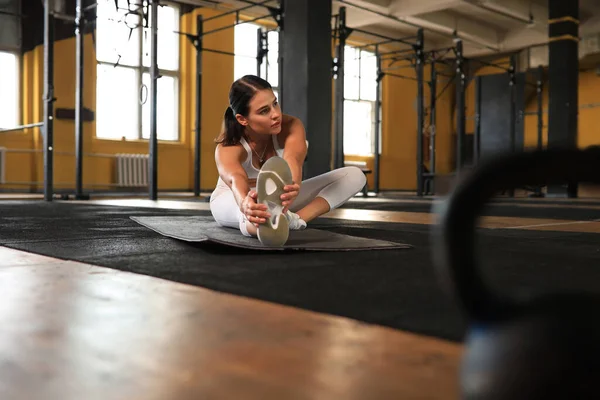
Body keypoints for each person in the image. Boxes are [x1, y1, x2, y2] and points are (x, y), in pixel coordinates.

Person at [209, 74, 367, 242]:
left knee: (354, 176)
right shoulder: (229, 146)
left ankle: (296, 220)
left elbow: (293, 160)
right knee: (254, 213)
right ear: (242, 119)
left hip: (280, 196)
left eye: (275, 103)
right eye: (264, 111)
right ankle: (260, 223)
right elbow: (235, 178)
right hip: (233, 197)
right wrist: (244, 203)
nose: (276, 114)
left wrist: (292, 185)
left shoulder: (291, 126)